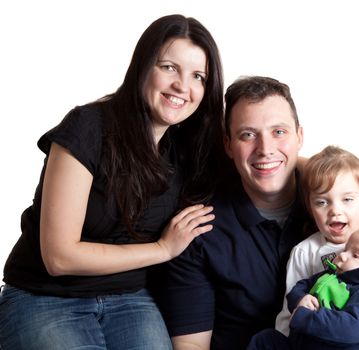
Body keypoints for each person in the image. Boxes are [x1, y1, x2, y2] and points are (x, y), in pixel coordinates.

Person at [155, 76, 359, 350]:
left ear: (299, 136)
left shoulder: (343, 208)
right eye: (248, 134)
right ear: (228, 145)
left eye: (279, 132)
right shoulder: (201, 230)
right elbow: (191, 343)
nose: (265, 149)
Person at [0, 14, 226, 350]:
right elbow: (59, 257)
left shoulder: (186, 146)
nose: (183, 86)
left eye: (198, 76)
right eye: (169, 67)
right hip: (43, 296)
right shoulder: (87, 128)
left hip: (129, 298)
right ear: (143, 66)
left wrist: (314, 164)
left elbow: (254, 152)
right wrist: (162, 249)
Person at [275, 145, 359, 337]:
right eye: (322, 202)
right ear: (310, 208)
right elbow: (289, 309)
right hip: (321, 337)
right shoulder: (305, 252)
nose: (335, 210)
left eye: (347, 200)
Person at [248, 225, 359, 350]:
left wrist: (304, 316)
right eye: (346, 249)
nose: (342, 255)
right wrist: (300, 299)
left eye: (356, 255)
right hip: (301, 343)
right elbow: (302, 285)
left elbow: (351, 329)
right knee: (265, 340)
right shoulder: (333, 274)